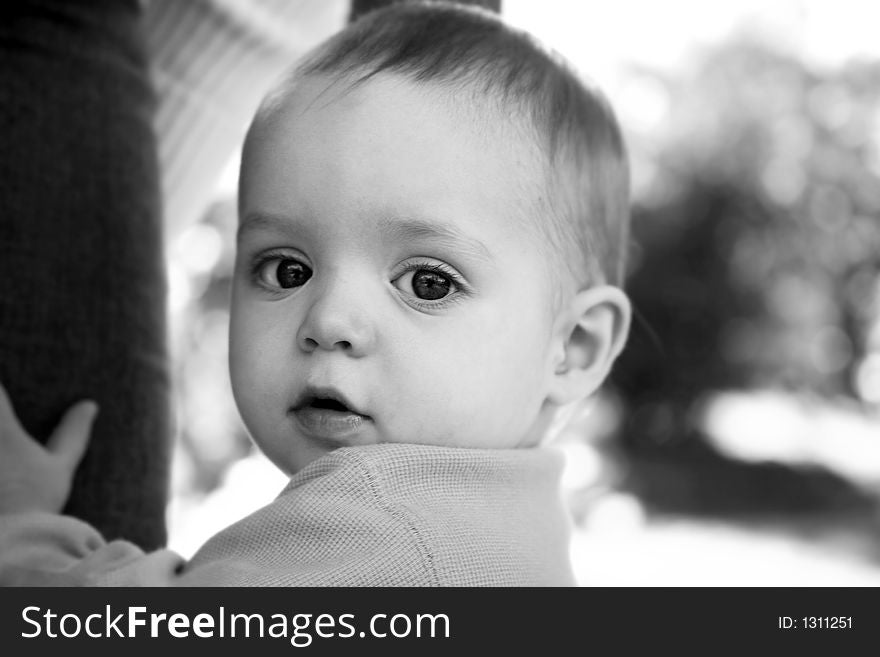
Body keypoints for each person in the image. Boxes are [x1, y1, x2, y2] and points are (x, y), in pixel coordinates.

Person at [0, 1, 631, 586]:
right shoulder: (510, 538)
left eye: (428, 283)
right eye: (286, 271)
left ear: (574, 345)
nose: (329, 320)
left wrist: (20, 528)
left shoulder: (376, 530)